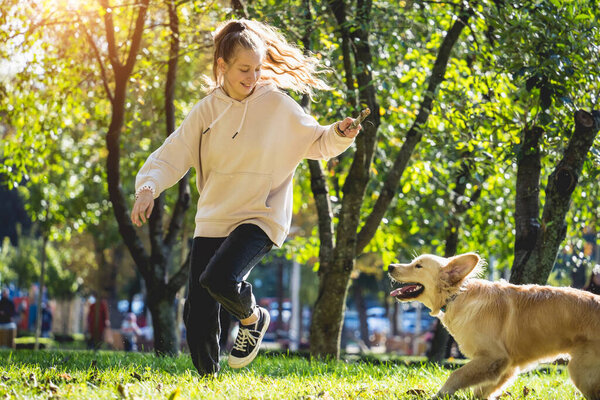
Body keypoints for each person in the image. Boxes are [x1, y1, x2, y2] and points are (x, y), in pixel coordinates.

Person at [130, 19, 362, 377]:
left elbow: (317, 142)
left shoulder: (277, 105)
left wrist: (340, 133)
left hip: (259, 215)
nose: (253, 77)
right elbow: (171, 154)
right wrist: (147, 187)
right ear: (221, 66)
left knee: (220, 277)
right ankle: (208, 380)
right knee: (197, 314)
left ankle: (254, 319)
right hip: (214, 217)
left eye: (257, 68)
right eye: (244, 69)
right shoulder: (206, 111)